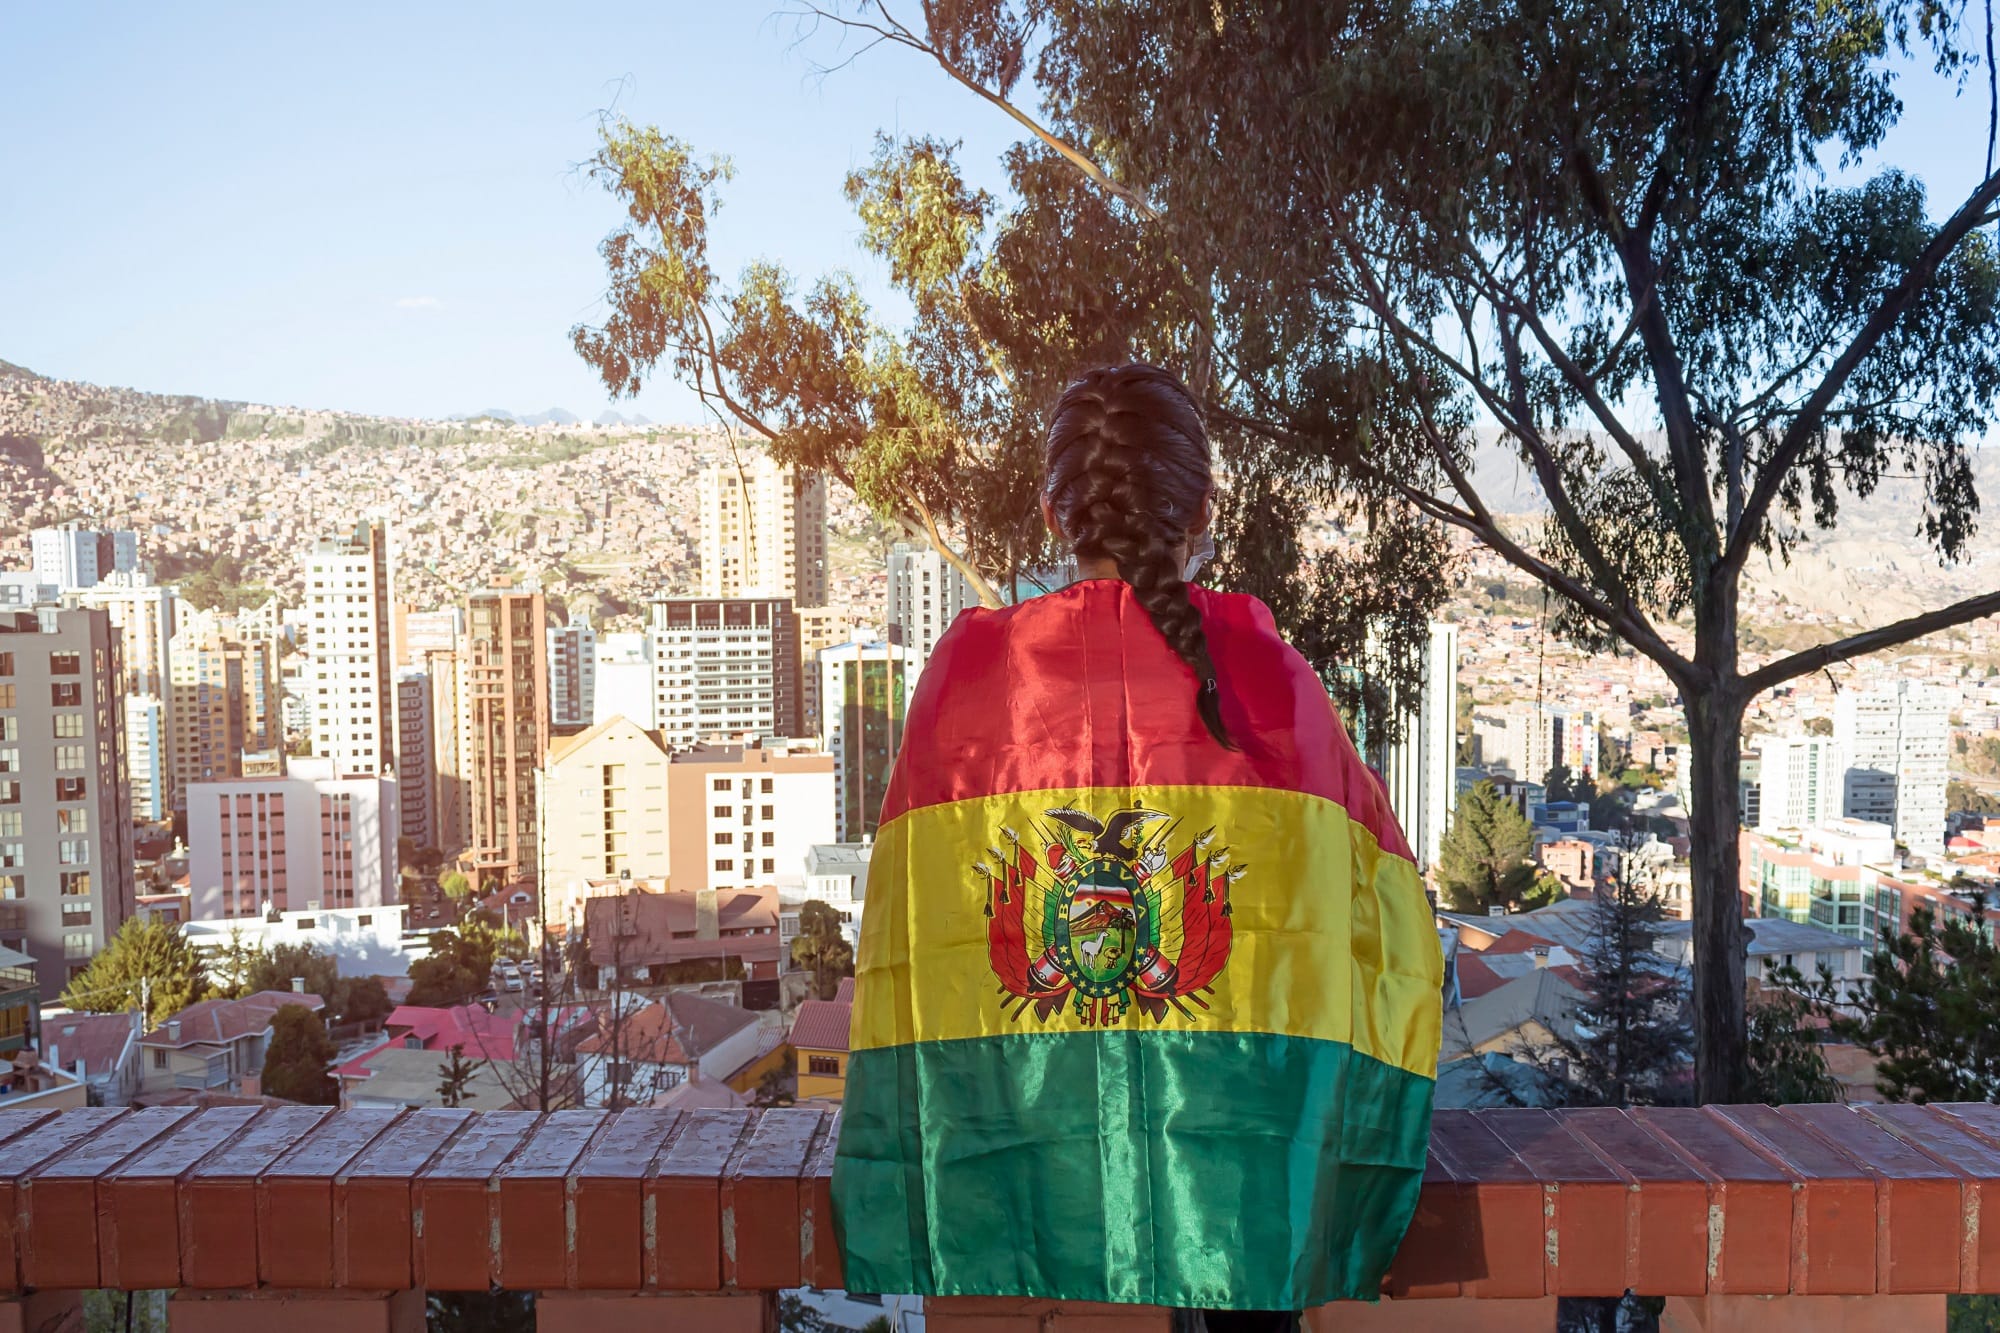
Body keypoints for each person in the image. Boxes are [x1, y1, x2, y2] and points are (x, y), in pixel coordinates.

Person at [832, 364, 1443, 1327]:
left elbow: (914, 935)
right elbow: (1380, 922)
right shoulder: (1277, 689)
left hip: (1036, 1180)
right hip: (1240, 1183)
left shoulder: (969, 678)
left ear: (1050, 513)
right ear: (1203, 510)